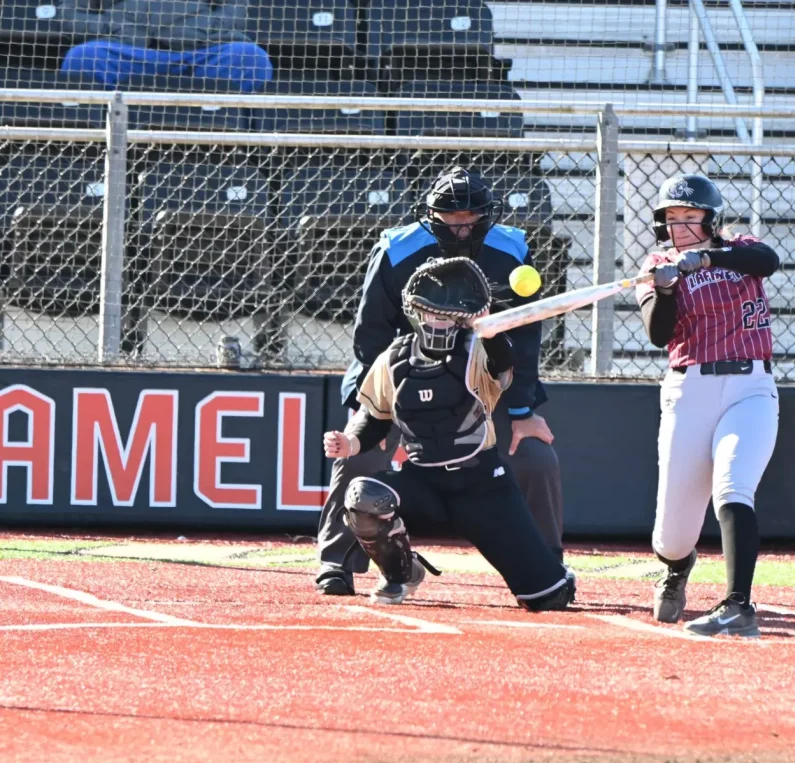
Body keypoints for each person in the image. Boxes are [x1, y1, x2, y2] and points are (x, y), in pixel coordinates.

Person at [315, 166, 564, 596]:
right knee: (359, 458)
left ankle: (548, 562)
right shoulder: (397, 249)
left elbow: (524, 337)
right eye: (451, 219)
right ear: (429, 216)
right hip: (405, 376)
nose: (462, 228)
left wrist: (522, 411)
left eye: (471, 219)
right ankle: (338, 563)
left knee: (535, 459)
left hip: (479, 377)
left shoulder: (511, 249)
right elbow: (371, 331)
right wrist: (370, 407)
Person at [634, 173, 781, 638]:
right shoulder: (657, 264)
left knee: (733, 486)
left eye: (690, 218)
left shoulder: (740, 249)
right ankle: (677, 568)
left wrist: (705, 258)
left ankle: (739, 605)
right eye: (672, 219)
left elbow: (767, 260)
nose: (679, 227)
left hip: (750, 388)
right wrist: (666, 288)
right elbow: (658, 334)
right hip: (689, 389)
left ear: (711, 220)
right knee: (673, 534)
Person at [58, 0, 272, 94]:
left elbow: (237, 12)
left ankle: (233, 137)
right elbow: (68, 14)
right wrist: (113, 26)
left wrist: (203, 28)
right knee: (83, 56)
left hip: (198, 51)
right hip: (128, 51)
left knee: (251, 58)